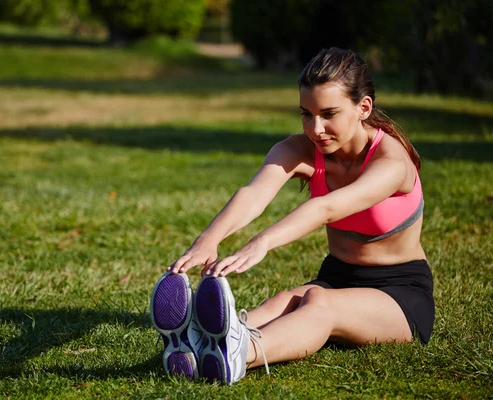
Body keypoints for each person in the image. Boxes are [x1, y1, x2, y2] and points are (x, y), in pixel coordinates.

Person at [149, 47, 435, 385]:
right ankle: (199, 344)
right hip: (337, 275)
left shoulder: (390, 162)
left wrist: (262, 242)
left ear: (364, 108)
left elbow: (326, 207)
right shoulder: (299, 150)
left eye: (329, 114)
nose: (316, 128)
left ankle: (237, 354)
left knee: (319, 302)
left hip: (400, 292)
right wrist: (208, 239)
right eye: (306, 114)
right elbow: (254, 194)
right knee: (283, 302)